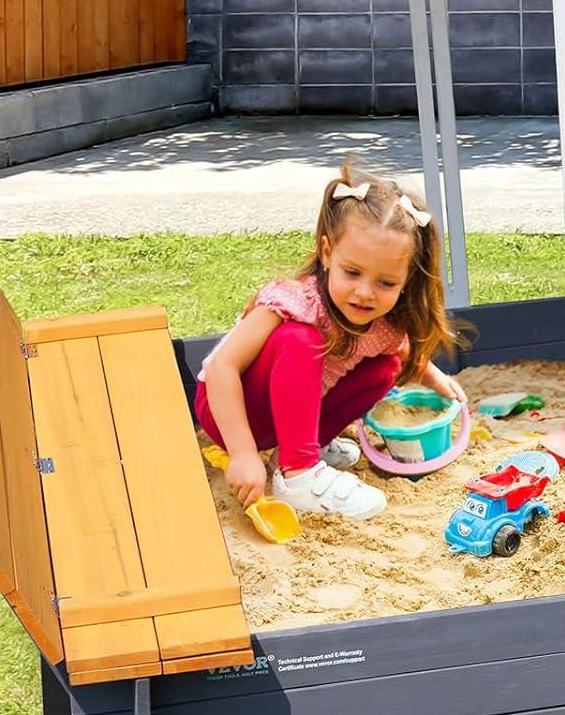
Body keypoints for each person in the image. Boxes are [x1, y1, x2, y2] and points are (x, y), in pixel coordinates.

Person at [196, 166, 465, 520]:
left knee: (385, 368)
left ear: (406, 280)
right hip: (232, 412)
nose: (365, 292)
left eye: (385, 283)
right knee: (302, 338)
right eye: (352, 272)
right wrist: (243, 453)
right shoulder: (294, 301)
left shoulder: (385, 323)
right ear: (326, 253)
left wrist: (432, 377)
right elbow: (221, 368)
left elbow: (401, 350)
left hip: (286, 419)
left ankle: (298, 453)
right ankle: (300, 473)